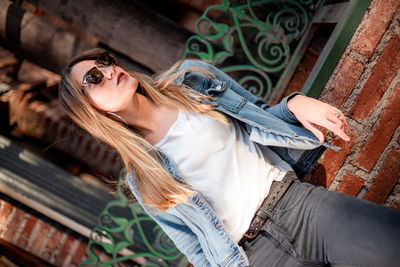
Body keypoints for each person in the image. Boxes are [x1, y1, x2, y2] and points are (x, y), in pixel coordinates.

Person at [59, 48, 400, 267]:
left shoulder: (191, 79)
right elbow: (195, 251)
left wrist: (294, 102)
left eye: (103, 60)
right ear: (90, 109)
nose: (107, 70)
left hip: (299, 205)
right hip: (255, 258)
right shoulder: (143, 178)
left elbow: (260, 114)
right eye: (93, 78)